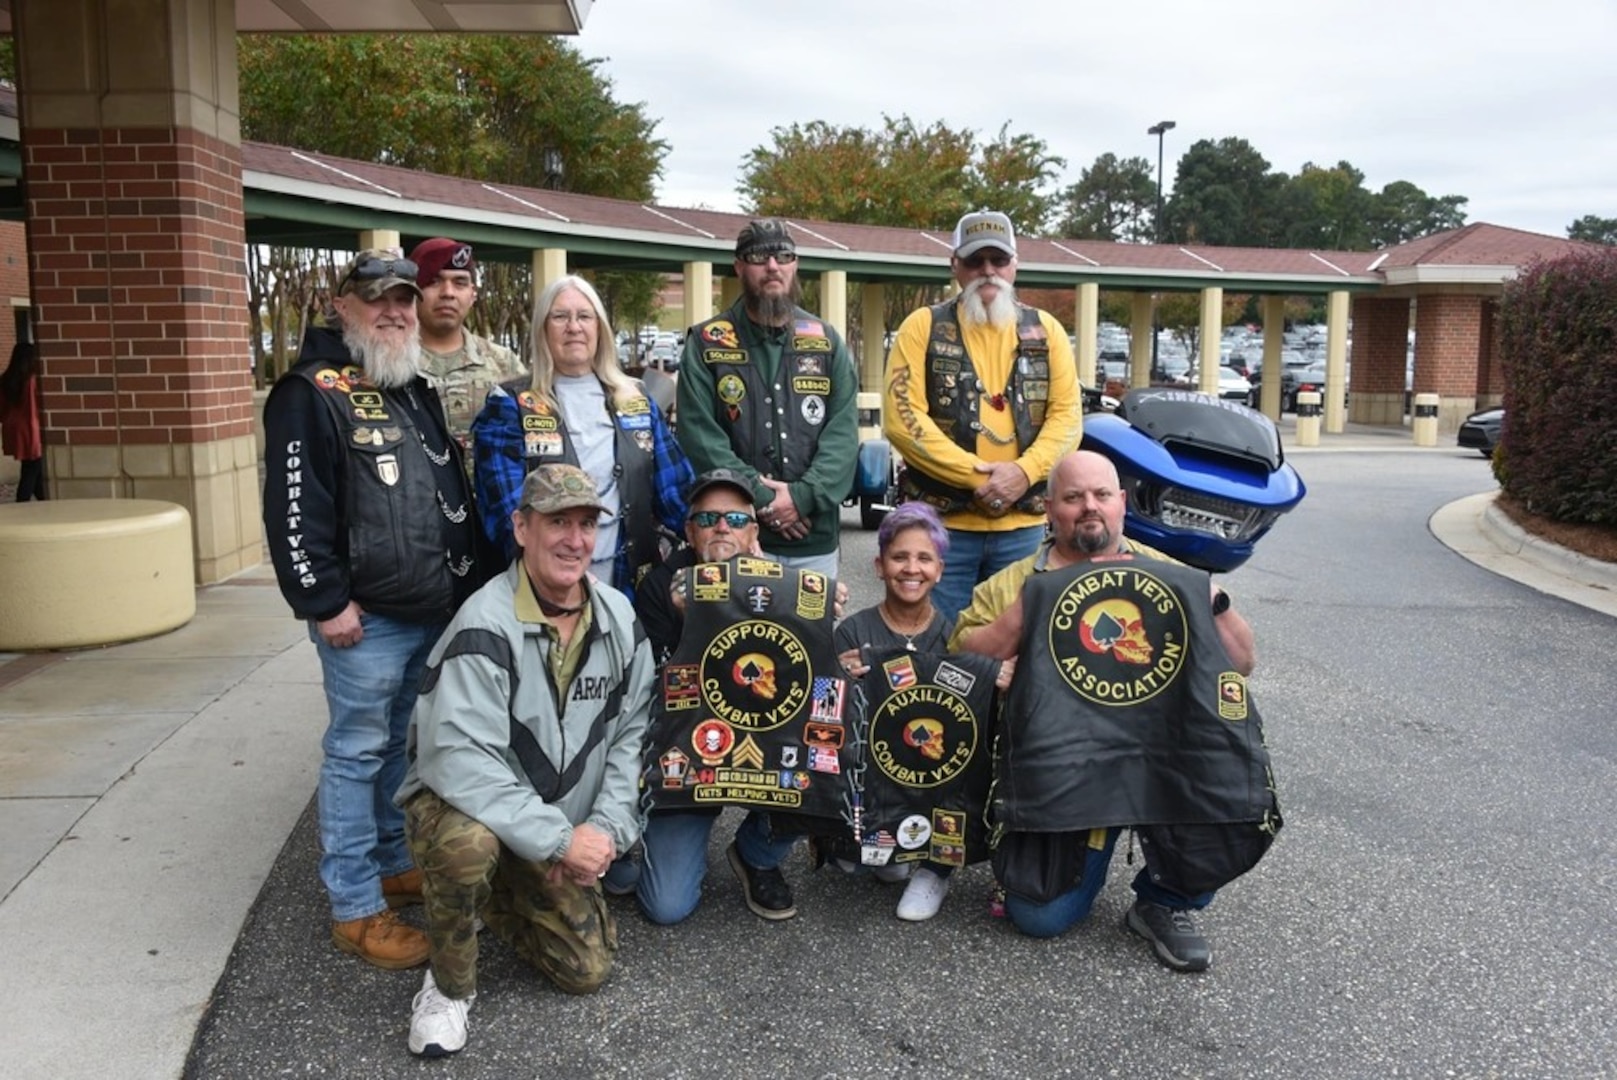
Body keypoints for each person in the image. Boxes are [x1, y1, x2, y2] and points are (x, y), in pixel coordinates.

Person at [261, 249, 487, 970]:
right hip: (365, 620)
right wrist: (324, 602)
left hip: (425, 609)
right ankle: (355, 907)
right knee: (355, 754)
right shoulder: (310, 390)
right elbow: (294, 511)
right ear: (342, 306)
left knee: (396, 747)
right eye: (377, 300)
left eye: (402, 299)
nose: (393, 311)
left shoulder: (405, 381)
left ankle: (392, 864)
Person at [951, 449, 1257, 971]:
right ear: (1049, 510)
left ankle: (1166, 901)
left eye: (1100, 495)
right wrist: (1029, 608)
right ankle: (1094, 841)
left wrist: (1213, 599)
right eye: (1073, 498)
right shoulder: (1012, 583)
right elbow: (961, 660)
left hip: (1157, 763)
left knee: (1221, 763)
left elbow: (1243, 663)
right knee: (1039, 917)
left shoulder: (1168, 574)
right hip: (1064, 772)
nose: (1088, 508)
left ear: (1121, 503)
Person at [396, 463, 653, 1057]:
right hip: (470, 811)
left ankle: (494, 894)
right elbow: (460, 760)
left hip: (554, 822)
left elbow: (629, 737)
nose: (574, 540)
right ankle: (449, 981)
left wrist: (603, 830)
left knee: (585, 970)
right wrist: (559, 841)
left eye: (586, 524)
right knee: (465, 851)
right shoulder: (484, 623)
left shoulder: (619, 620)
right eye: (556, 522)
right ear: (520, 527)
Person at [884, 210, 1083, 621]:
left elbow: (1067, 419)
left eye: (999, 260)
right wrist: (983, 478)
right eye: (975, 260)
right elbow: (903, 420)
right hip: (941, 529)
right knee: (934, 645)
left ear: (1015, 265)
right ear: (954, 265)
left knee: (1014, 649)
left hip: (1023, 529)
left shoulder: (1047, 331)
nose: (987, 271)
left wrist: (1024, 473)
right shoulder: (921, 326)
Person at [632, 468, 806, 924]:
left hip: (762, 749)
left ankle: (756, 853)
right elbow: (652, 693)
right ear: (690, 531)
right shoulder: (658, 586)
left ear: (754, 531)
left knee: (824, 759)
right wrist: (696, 620)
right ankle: (648, 839)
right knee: (667, 907)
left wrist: (827, 623)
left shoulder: (785, 587)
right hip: (687, 752)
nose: (721, 527)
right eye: (707, 518)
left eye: (734, 518)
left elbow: (808, 681)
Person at [834, 501, 1015, 921]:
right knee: (857, 861)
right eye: (899, 557)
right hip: (874, 767)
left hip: (936, 769)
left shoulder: (955, 637)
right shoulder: (852, 631)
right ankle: (882, 841)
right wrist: (834, 674)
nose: (910, 569)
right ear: (879, 566)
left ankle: (936, 867)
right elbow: (826, 714)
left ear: (939, 569)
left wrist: (992, 677)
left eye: (923, 558)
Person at [472, 274, 691, 598]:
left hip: (628, 595)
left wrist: (720, 529)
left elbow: (679, 495)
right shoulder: (509, 405)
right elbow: (507, 519)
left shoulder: (636, 400)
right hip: (542, 599)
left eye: (584, 316)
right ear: (543, 328)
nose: (573, 326)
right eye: (560, 316)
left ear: (599, 328)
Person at [675, 218, 858, 577]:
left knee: (810, 633)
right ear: (739, 266)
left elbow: (843, 436)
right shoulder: (707, 342)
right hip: (735, 538)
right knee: (735, 634)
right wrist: (765, 500)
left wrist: (802, 498)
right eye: (759, 256)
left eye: (783, 255)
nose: (772, 266)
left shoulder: (827, 342)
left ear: (795, 264)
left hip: (813, 540)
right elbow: (701, 439)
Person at [408, 237, 528, 467]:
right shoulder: (390, 365)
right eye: (434, 281)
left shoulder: (505, 365)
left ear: (473, 295)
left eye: (460, 282)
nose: (448, 293)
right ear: (413, 290)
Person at [0, 341, 45, 502]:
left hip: (13, 427)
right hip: (30, 428)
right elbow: (35, 408)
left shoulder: (6, 379)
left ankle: (44, 500)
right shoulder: (32, 380)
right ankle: (22, 503)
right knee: (31, 469)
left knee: (35, 468)